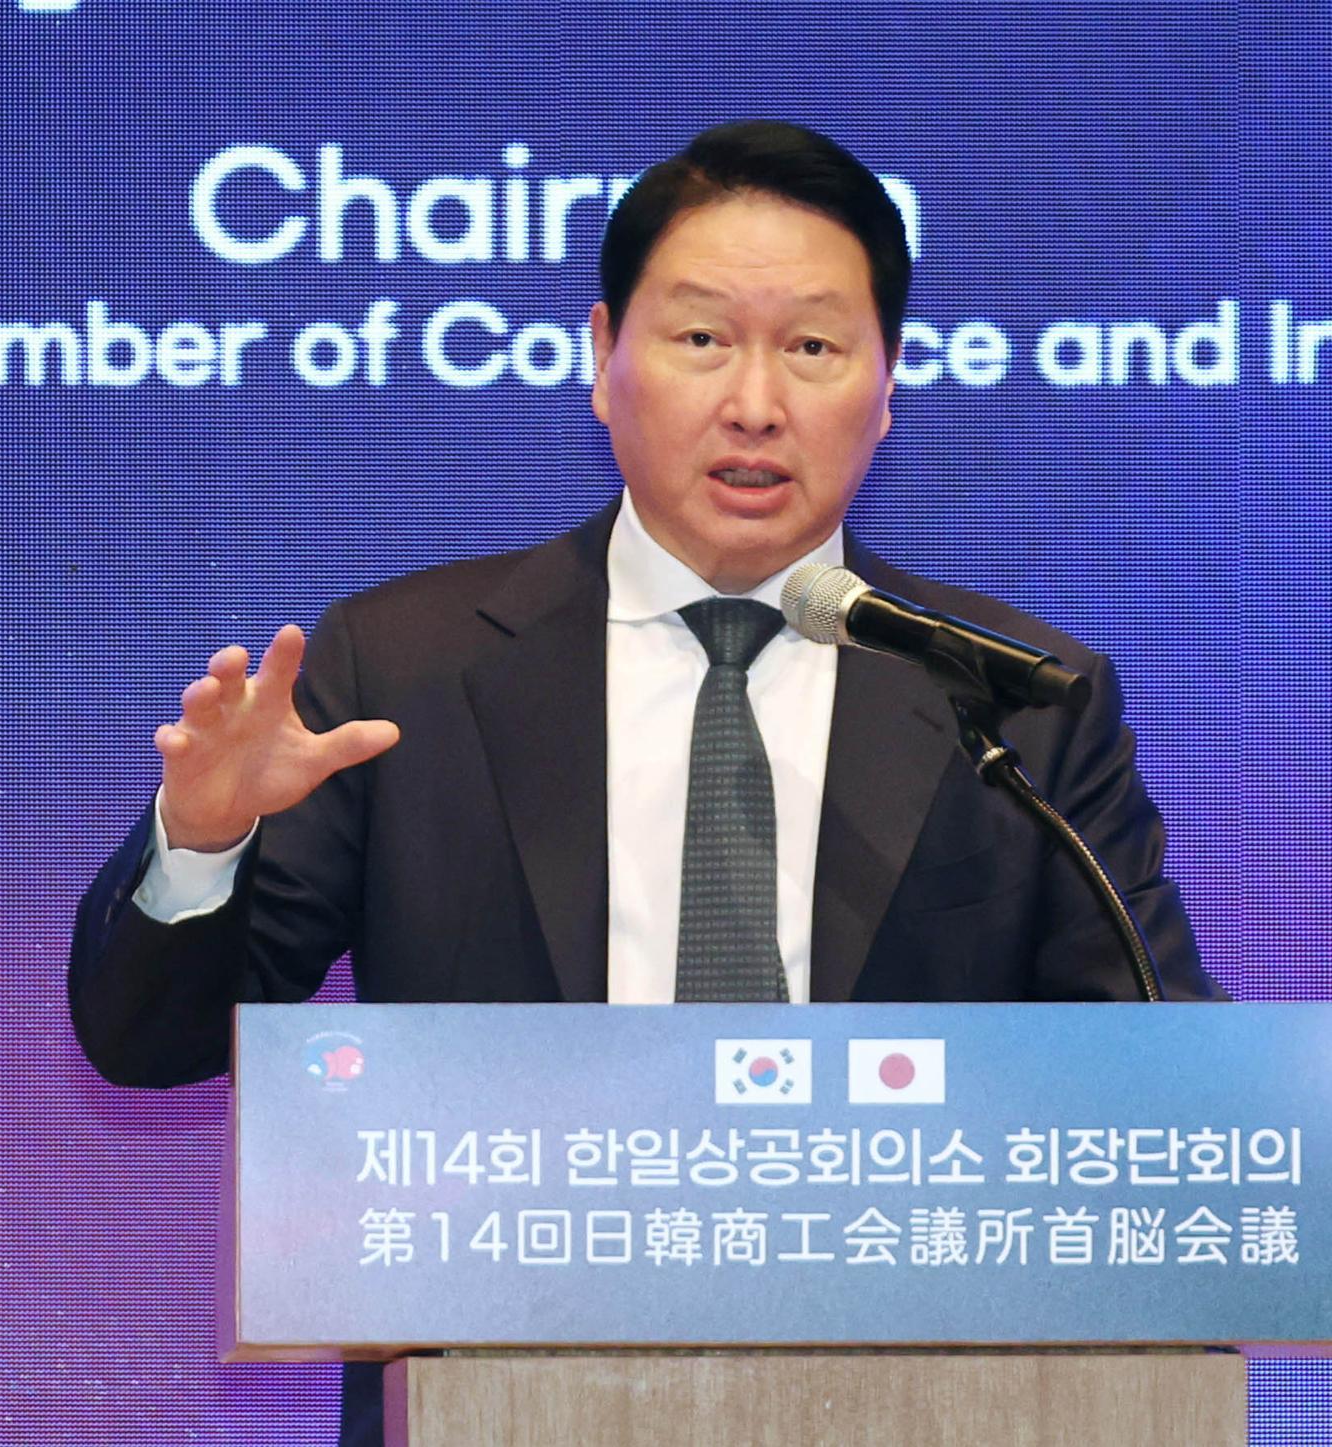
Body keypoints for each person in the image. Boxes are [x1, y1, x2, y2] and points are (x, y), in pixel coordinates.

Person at [68, 120, 1224, 1447]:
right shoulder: (405, 666)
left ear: (887, 385)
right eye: (701, 338)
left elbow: (1154, 1072)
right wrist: (204, 839)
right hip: (500, 1401)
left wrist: (1320, 1151)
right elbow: (147, 1042)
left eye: (814, 347)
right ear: (602, 358)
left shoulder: (1016, 698)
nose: (755, 402)